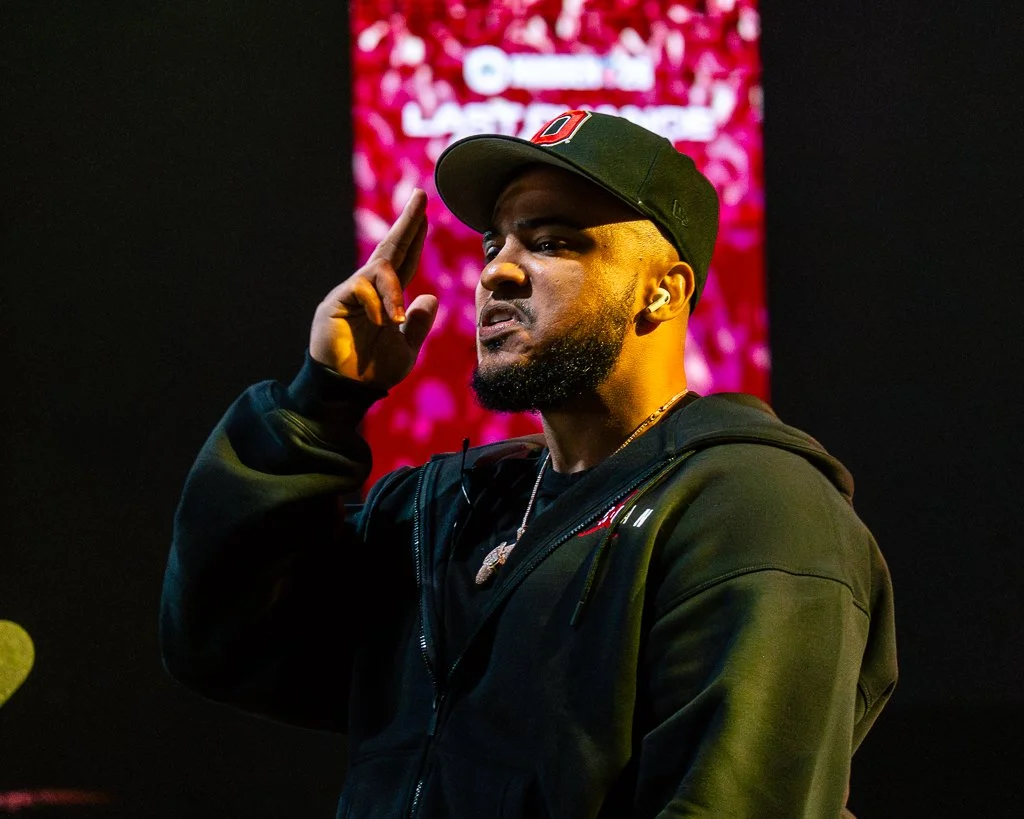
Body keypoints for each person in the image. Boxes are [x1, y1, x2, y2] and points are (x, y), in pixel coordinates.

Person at [160, 110, 897, 818]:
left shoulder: (755, 509)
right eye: (493, 246)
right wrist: (322, 399)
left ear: (662, 290)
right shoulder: (448, 509)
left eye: (549, 242)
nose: (498, 274)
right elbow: (224, 642)